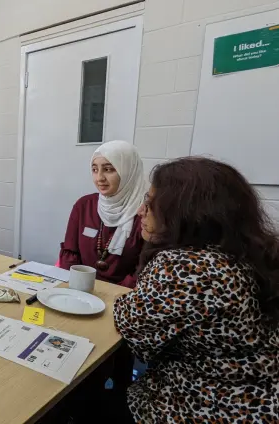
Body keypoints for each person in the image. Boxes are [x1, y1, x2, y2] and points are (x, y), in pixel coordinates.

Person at [114, 157, 279, 423]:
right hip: (258, 396)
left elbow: (133, 329)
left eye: (152, 204)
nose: (141, 212)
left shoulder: (187, 267)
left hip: (204, 404)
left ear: (184, 213)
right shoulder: (249, 253)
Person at [59, 140, 146, 288]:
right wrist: (73, 285)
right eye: (94, 169)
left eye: (109, 169)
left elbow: (143, 269)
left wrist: (111, 294)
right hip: (80, 289)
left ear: (129, 171)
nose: (99, 178)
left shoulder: (145, 213)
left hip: (122, 295)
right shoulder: (84, 205)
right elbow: (70, 252)